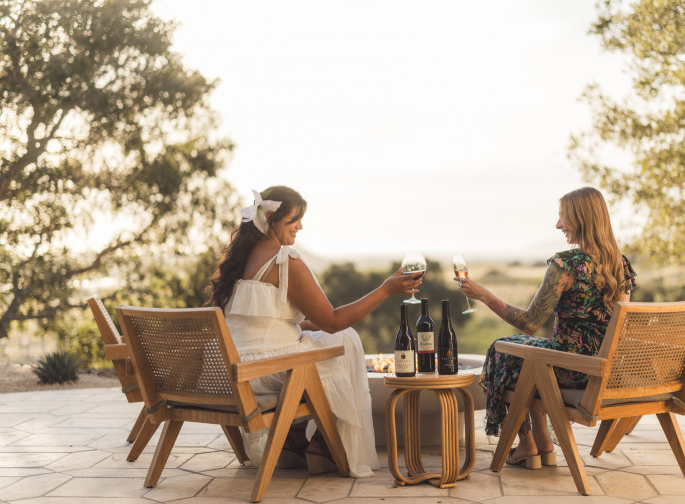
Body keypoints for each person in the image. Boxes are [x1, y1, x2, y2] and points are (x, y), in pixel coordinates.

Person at [206, 185, 421, 478]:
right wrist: (386, 290)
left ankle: (293, 443)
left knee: (316, 338)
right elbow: (333, 320)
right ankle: (324, 445)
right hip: (263, 372)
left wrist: (303, 325)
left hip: (230, 370)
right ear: (270, 219)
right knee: (344, 339)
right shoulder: (284, 260)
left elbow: (257, 322)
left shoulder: (237, 261)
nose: (300, 226)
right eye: (294, 219)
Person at [456, 187, 636, 469]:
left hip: (570, 369)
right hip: (603, 370)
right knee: (529, 355)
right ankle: (542, 443)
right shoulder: (620, 264)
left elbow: (530, 323)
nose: (558, 225)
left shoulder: (567, 265)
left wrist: (483, 295)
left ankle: (527, 443)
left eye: (563, 217)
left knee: (503, 351)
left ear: (581, 218)